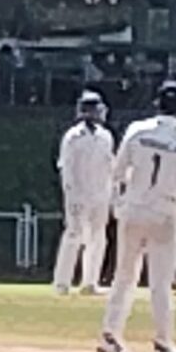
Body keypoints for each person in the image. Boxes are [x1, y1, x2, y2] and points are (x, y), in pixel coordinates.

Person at [98, 80, 176, 352]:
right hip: (163, 214)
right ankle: (163, 344)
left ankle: (111, 335)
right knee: (161, 282)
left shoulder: (136, 131)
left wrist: (121, 202)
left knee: (124, 276)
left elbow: (118, 171)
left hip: (133, 211)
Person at [52, 90, 115, 297]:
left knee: (98, 237)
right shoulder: (72, 137)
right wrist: (71, 195)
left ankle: (90, 282)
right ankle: (62, 282)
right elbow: (66, 169)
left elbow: (110, 167)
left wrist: (113, 195)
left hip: (100, 195)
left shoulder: (106, 136)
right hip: (78, 195)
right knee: (74, 234)